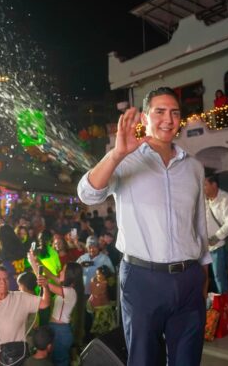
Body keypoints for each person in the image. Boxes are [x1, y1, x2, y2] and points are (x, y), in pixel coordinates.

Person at [77, 87, 211, 365]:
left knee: (188, 359)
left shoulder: (194, 167)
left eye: (175, 112)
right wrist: (116, 154)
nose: (168, 119)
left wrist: (203, 274)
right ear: (146, 118)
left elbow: (198, 223)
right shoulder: (126, 160)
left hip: (189, 277)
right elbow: (87, 194)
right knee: (143, 360)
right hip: (142, 279)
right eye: (159, 111)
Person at [0, 264, 51, 366]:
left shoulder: (20, 298)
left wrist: (45, 286)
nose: (3, 282)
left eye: (5, 278)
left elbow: (45, 303)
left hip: (15, 360)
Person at [204, 174, 228, 294]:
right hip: (204, 247)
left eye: (205, 185)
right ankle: (212, 308)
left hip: (219, 246)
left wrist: (214, 238)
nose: (202, 188)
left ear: (214, 185)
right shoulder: (205, 200)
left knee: (219, 278)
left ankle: (224, 309)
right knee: (204, 279)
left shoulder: (226, 199)